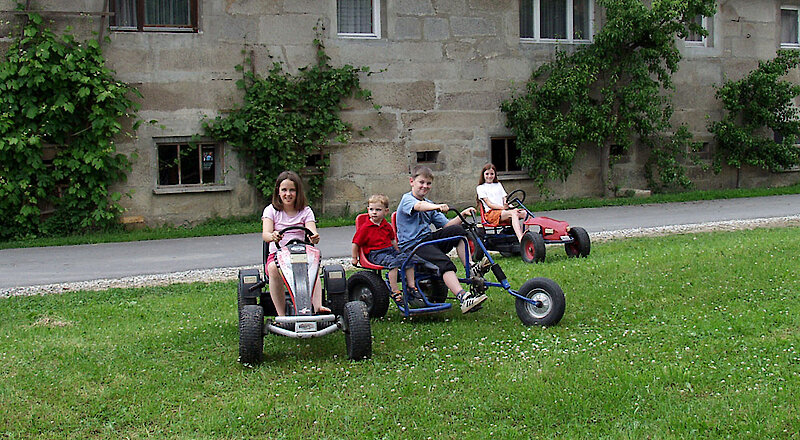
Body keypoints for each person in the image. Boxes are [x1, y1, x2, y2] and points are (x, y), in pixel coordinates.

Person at [396, 165, 487, 313]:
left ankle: (471, 267)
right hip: (413, 246)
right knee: (444, 263)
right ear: (412, 181)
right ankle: (463, 298)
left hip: (427, 240)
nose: (425, 186)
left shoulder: (430, 204)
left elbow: (446, 226)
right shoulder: (407, 200)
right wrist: (436, 207)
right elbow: (419, 206)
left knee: (457, 231)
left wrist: (462, 215)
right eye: (421, 182)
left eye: (428, 183)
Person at [262, 170, 329, 316]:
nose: (288, 194)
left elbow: (312, 231)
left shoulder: (305, 211)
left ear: (298, 192)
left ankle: (318, 306)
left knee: (313, 264)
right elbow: (265, 234)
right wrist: (273, 236)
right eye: (284, 190)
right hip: (277, 255)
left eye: (292, 190)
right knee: (273, 268)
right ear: (278, 192)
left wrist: (314, 237)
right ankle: (281, 314)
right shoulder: (271, 210)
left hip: (301, 253)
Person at [351, 194, 422, 307]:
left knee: (408, 259)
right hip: (375, 253)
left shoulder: (386, 225)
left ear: (385, 211)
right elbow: (356, 243)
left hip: (389, 250)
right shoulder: (365, 227)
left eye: (378, 210)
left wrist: (398, 251)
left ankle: (411, 286)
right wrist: (355, 258)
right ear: (368, 210)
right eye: (371, 209)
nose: (374, 212)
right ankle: (395, 291)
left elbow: (393, 240)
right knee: (393, 263)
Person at [476, 163, 527, 242]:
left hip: (503, 211)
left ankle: (526, 235)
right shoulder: (480, 188)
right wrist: (504, 208)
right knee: (513, 213)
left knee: (525, 213)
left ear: (495, 175)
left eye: (492, 174)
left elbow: (505, 200)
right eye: (487, 174)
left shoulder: (498, 185)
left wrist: (512, 207)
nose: (489, 176)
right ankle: (521, 239)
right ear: (483, 175)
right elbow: (489, 204)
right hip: (491, 213)